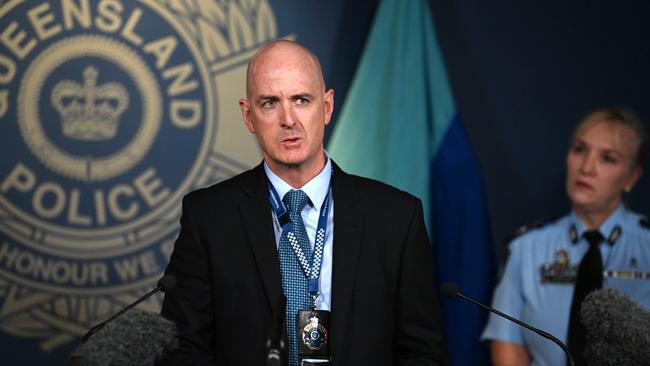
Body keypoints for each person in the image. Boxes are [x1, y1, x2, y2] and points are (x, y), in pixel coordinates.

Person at [157, 40, 448, 366]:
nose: (288, 119)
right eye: (270, 103)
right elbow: (180, 349)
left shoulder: (396, 218)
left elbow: (423, 353)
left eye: (301, 100)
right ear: (248, 115)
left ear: (326, 107)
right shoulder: (209, 217)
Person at [481, 107, 650, 366]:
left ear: (632, 176)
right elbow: (508, 345)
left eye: (608, 158)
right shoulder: (526, 249)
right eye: (579, 150)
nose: (586, 167)